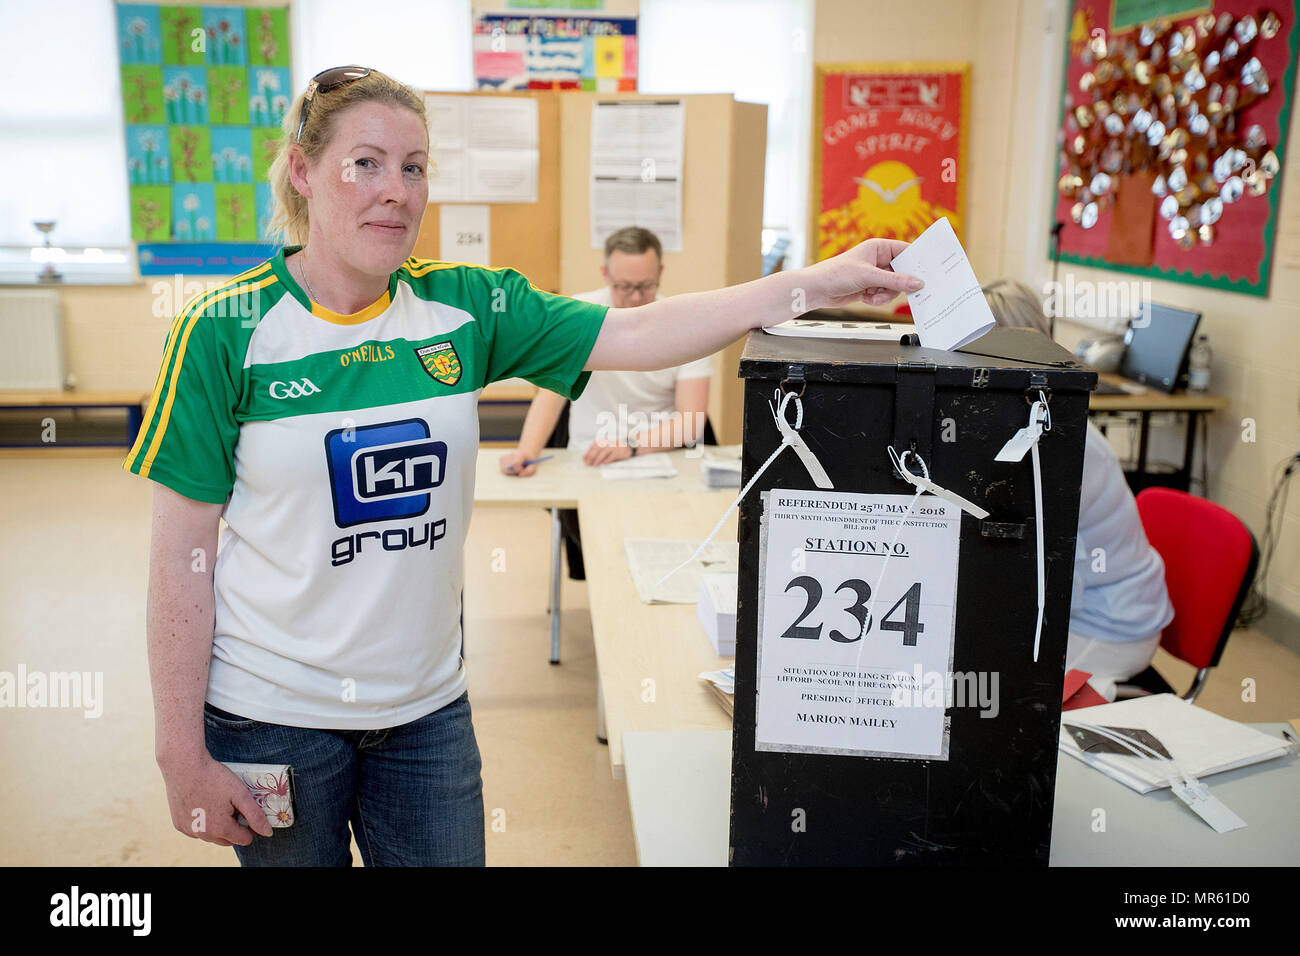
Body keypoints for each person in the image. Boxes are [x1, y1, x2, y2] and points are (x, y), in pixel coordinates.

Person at [124, 65, 923, 867]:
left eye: (414, 166)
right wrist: (179, 756)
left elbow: (639, 333)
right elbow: (178, 562)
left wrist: (813, 284)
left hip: (424, 710)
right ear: (303, 171)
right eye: (365, 162)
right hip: (273, 710)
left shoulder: (468, 306)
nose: (395, 190)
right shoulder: (223, 331)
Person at [981, 280, 1174, 700]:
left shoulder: (1068, 444)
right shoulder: (1023, 420)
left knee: (1003, 694)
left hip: (1109, 626)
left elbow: (1040, 570)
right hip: (1078, 605)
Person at [498, 226, 710, 578]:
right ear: (605, 274)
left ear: (660, 274)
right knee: (609, 560)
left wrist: (629, 445)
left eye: (645, 286)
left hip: (659, 462)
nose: (634, 298)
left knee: (661, 562)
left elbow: (690, 422)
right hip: (590, 460)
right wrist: (526, 450)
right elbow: (550, 397)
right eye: (624, 287)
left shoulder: (685, 324)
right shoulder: (580, 314)